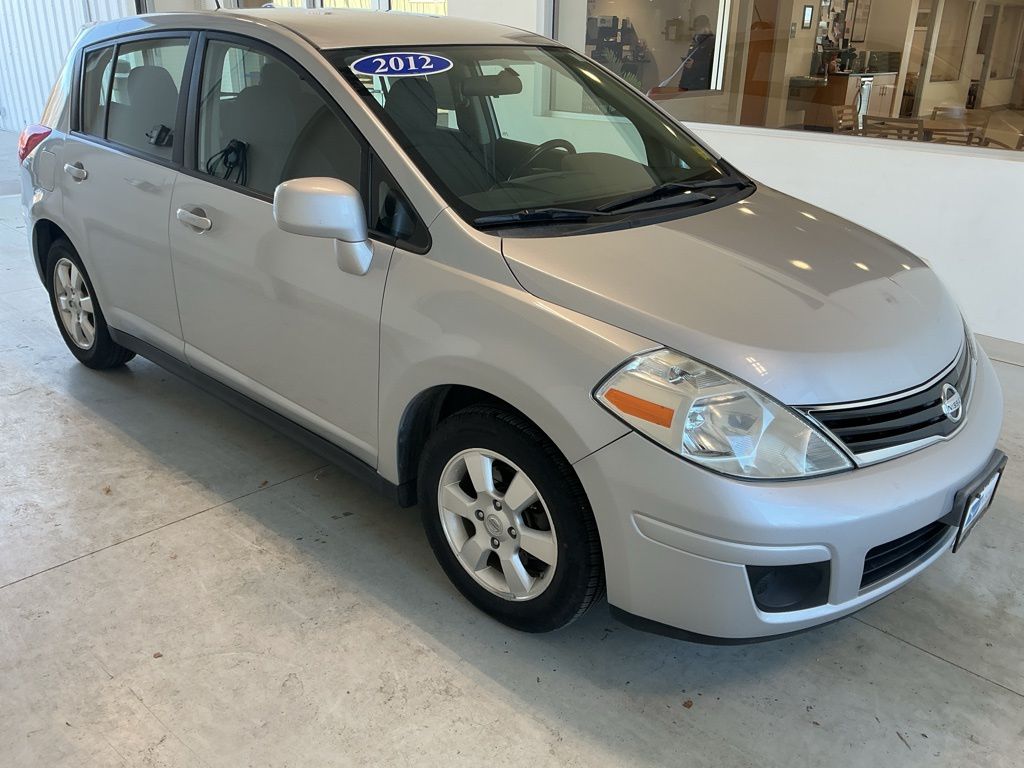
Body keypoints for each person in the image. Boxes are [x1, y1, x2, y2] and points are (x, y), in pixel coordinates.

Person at [678, 15, 716, 91]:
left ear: (707, 26)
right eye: (696, 27)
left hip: (700, 85)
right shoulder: (695, 41)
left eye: (699, 26)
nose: (697, 29)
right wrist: (682, 83)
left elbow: (714, 64)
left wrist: (695, 65)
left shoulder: (712, 41)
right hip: (688, 83)